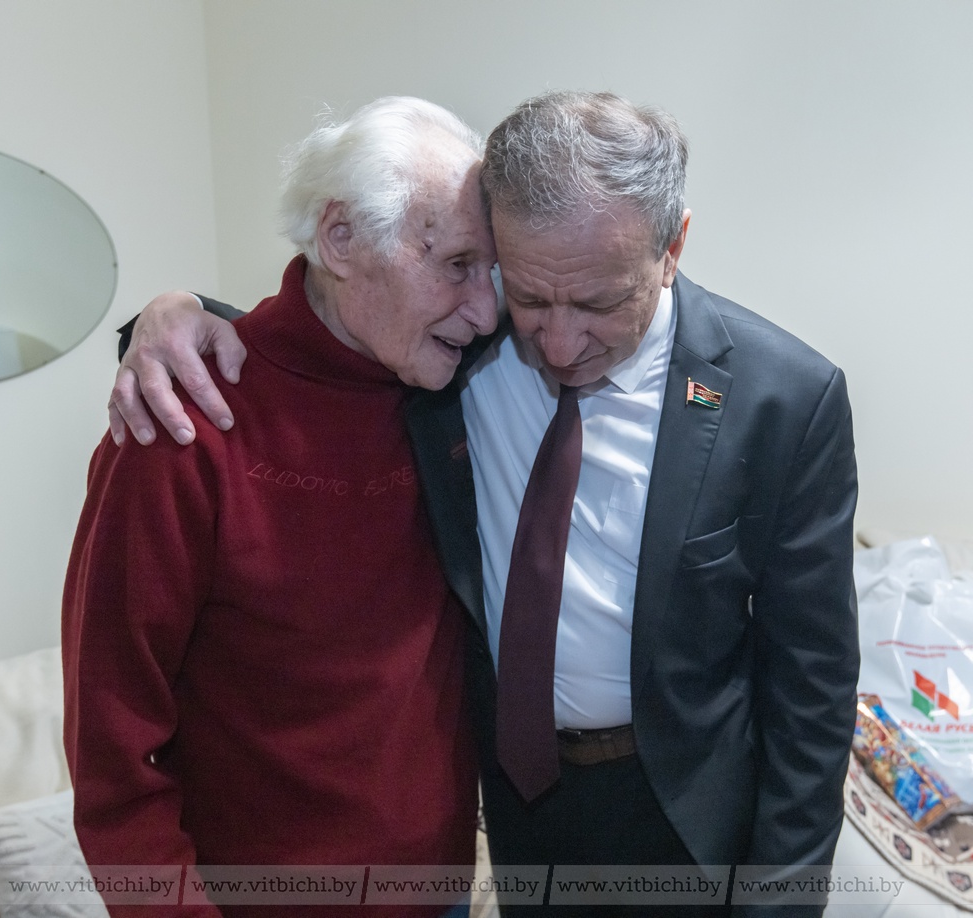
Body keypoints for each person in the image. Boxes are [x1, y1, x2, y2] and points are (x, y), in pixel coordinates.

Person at [111, 90, 860, 917]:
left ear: (672, 246)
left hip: (692, 822)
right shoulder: (463, 345)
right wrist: (171, 317)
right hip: (520, 815)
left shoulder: (786, 400)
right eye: (530, 297)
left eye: (600, 304)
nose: (561, 343)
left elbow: (813, 691)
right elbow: (336, 333)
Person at [63, 96, 500, 918]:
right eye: (455, 265)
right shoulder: (180, 424)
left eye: (492, 272)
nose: (485, 310)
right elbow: (114, 750)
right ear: (341, 238)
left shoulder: (461, 387)